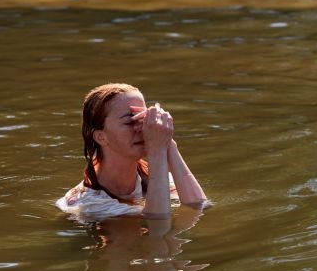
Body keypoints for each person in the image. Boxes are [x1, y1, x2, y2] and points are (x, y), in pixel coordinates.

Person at [57, 83, 207, 219]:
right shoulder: (88, 203)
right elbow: (157, 222)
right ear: (100, 137)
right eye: (129, 121)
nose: (142, 128)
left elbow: (198, 207)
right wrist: (157, 150)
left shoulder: (157, 178)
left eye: (143, 119)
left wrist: (168, 143)